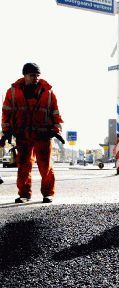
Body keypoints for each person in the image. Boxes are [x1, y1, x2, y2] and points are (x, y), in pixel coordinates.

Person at [1, 63, 64, 203]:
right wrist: (6, 131)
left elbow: (55, 113)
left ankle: (48, 194)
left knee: (45, 166)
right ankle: (24, 194)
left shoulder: (48, 93)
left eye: (37, 75)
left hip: (43, 136)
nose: (35, 78)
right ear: (24, 76)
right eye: (32, 75)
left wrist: (56, 130)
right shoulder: (12, 92)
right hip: (23, 135)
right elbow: (6, 112)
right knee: (23, 166)